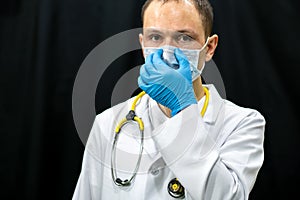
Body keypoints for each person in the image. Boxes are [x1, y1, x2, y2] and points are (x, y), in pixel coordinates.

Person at [72, 0, 265, 199]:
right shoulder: (107, 123)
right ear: (142, 44)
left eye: (184, 37)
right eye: (155, 37)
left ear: (209, 48)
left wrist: (182, 108)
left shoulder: (242, 124)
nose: (167, 52)